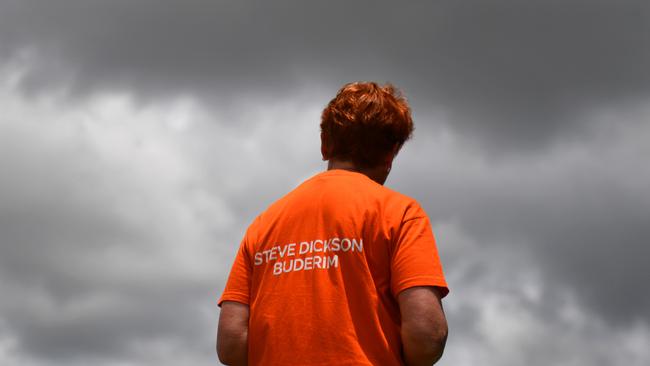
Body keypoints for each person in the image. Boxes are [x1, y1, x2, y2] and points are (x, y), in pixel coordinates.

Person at [217, 82, 449, 366]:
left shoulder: (265, 223)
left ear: (325, 145)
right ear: (391, 154)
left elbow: (231, 344)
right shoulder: (400, 214)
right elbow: (426, 337)